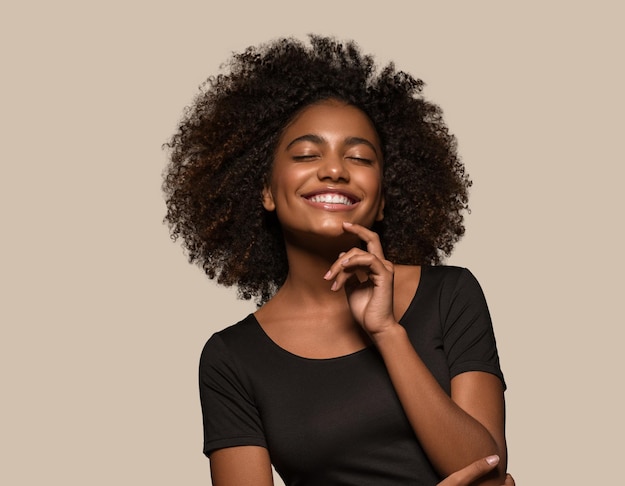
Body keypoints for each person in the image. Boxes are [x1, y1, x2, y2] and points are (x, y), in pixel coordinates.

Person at [163, 35, 510, 485]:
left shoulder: (451, 294)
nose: (334, 169)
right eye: (307, 154)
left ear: (382, 199)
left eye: (359, 157)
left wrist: (388, 334)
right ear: (266, 190)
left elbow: (485, 472)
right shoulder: (233, 358)